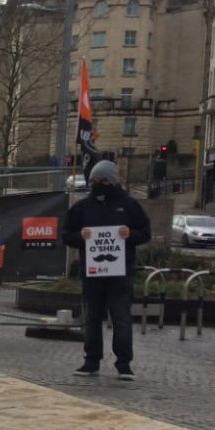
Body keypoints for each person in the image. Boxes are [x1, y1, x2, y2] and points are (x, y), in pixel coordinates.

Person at [62, 159, 151, 379]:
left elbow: (145, 232)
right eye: (93, 180)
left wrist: (130, 234)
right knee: (91, 317)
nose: (97, 184)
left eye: (102, 180)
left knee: (121, 318)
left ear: (112, 180)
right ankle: (91, 361)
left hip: (121, 274)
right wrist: (79, 236)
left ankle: (124, 364)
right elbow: (66, 235)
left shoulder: (129, 205)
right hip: (92, 273)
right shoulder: (82, 207)